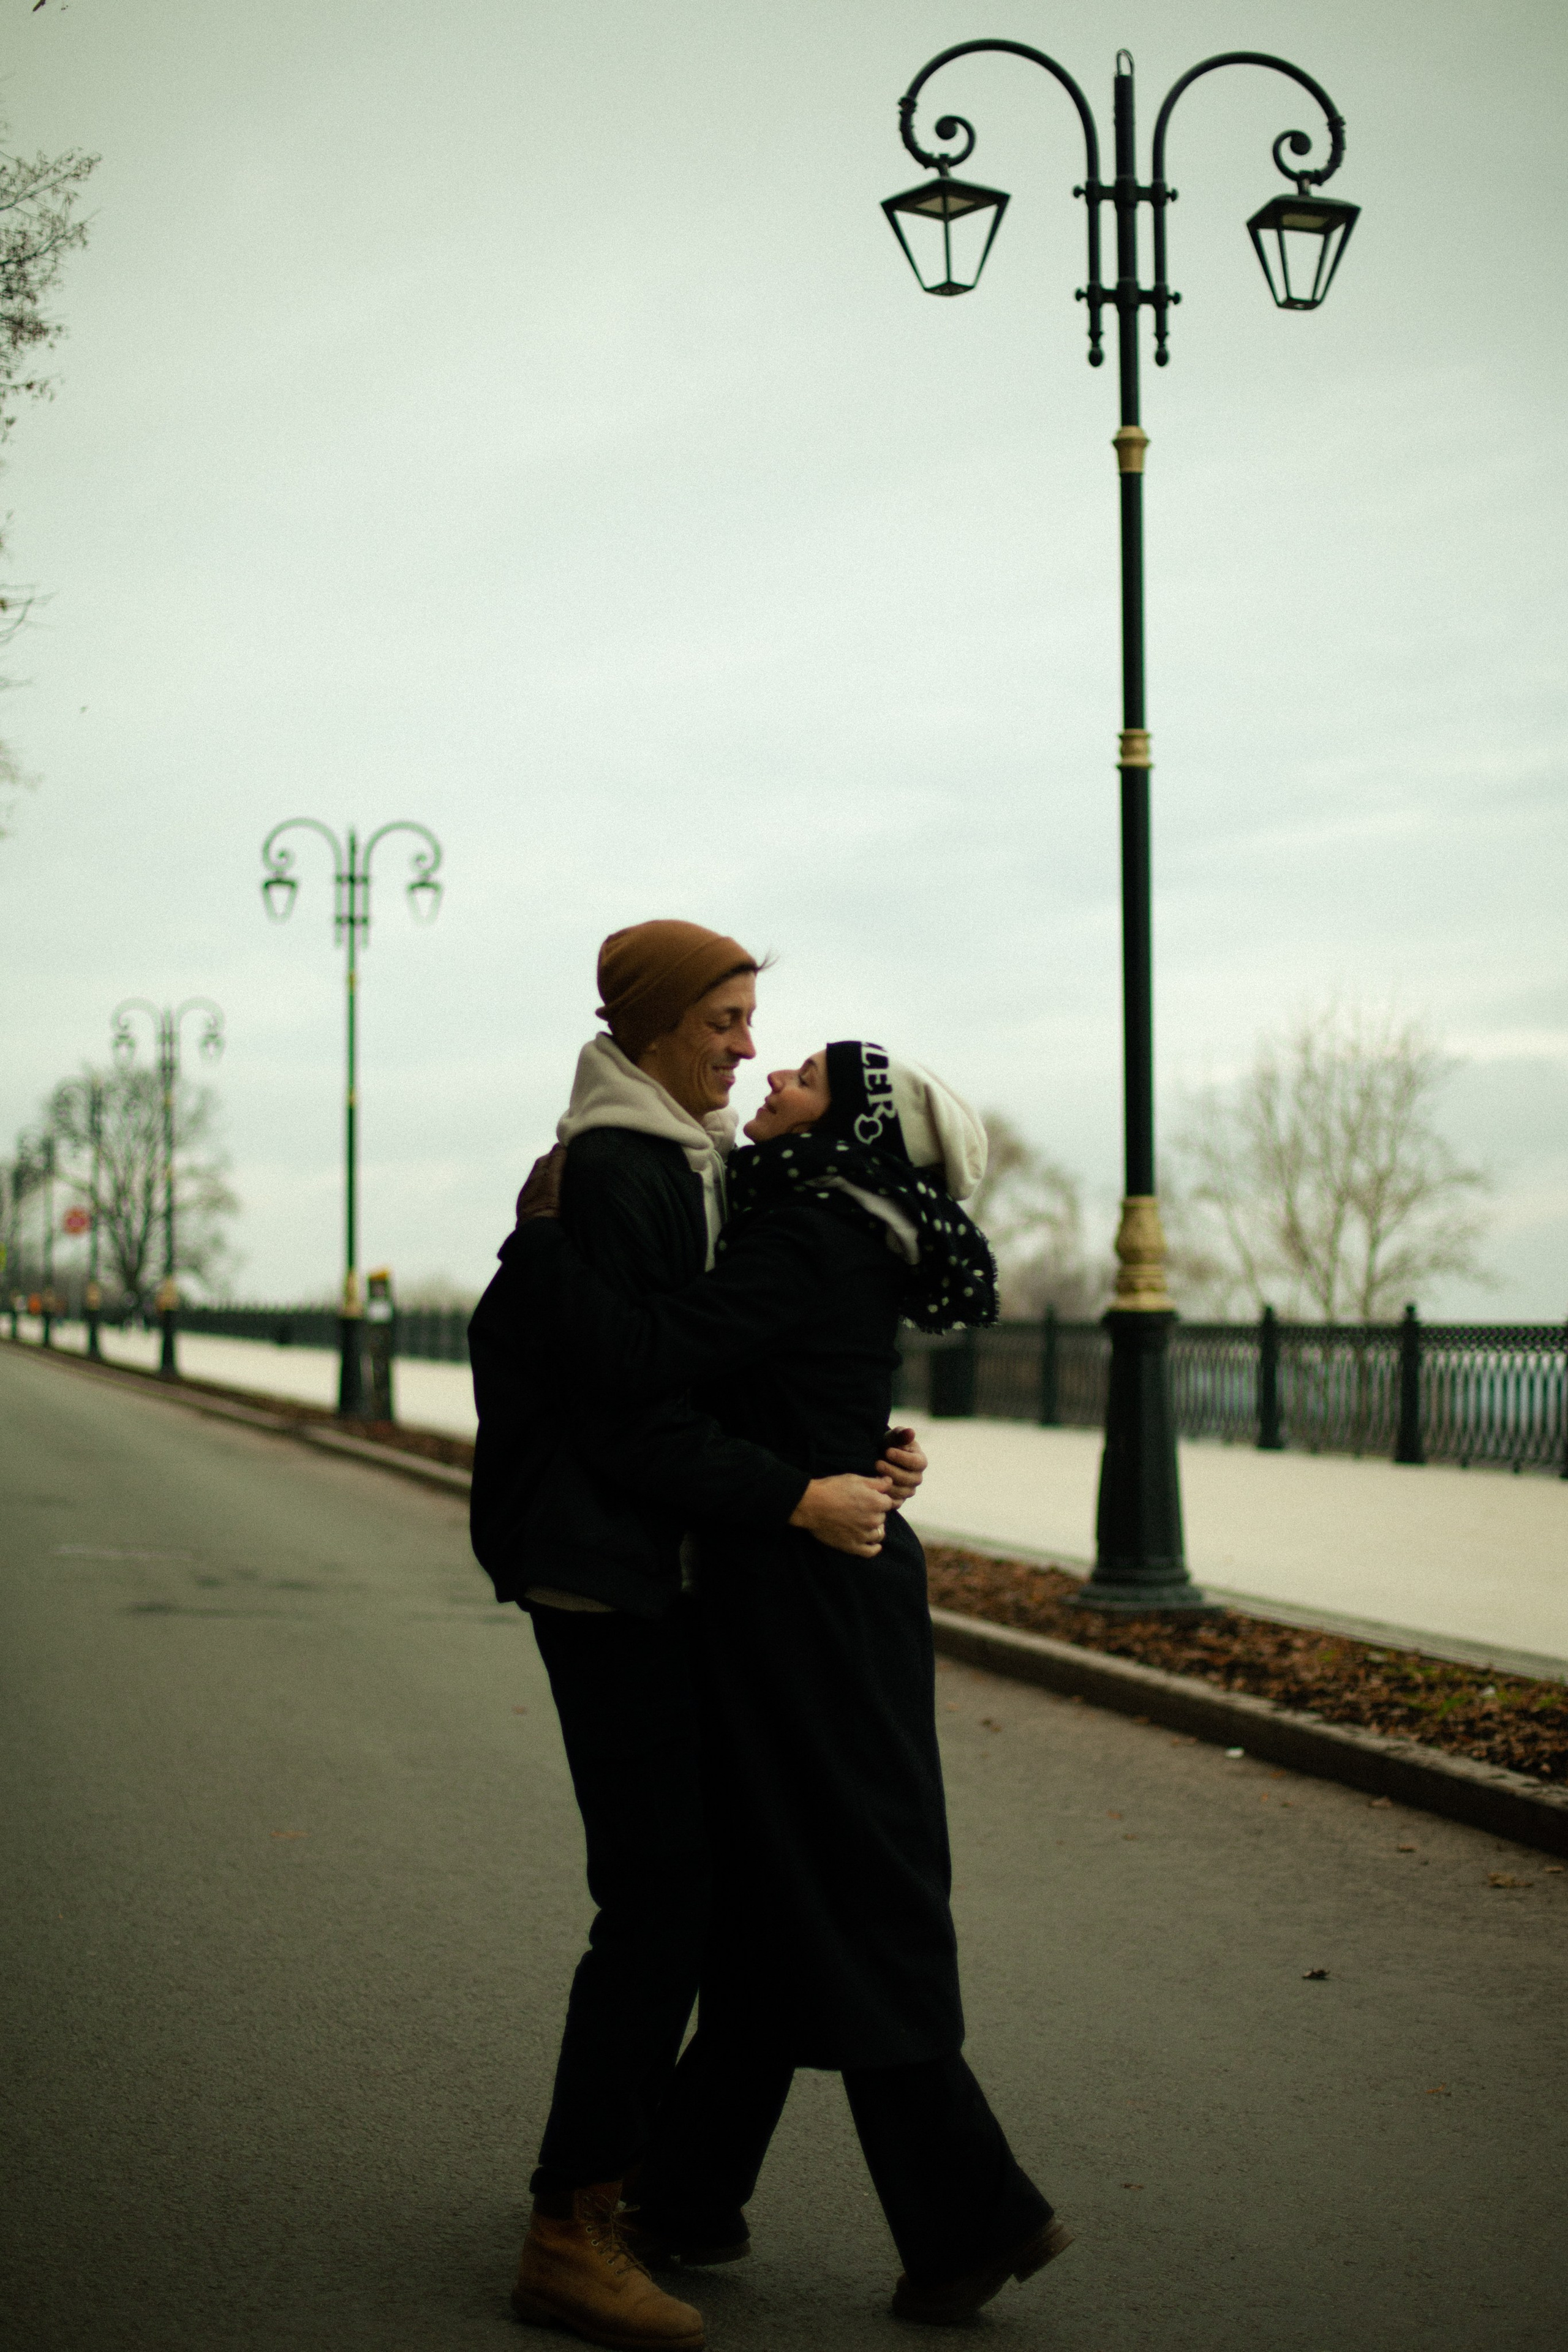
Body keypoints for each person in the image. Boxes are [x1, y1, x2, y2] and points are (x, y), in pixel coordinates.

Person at [508, 1039, 1070, 2328]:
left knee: (841, 1883)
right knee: (779, 1883)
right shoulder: (829, 1222)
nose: (771, 1076)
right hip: (811, 1578)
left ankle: (968, 2216)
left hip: (809, 1596)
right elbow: (784, 1374)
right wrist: (856, 1440)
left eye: (806, 1076)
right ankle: (688, 2192)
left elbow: (656, 1353)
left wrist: (538, 1246)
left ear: (860, 1122)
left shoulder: (814, 1224)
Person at [469, 925, 925, 2352]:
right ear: (659, 1027)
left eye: (751, 1021)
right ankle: (569, 2231)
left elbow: (709, 1368)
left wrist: (856, 1455)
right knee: (660, 1903)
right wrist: (797, 1494)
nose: (747, 1046)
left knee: (702, 1894)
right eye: (726, 1020)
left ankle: (657, 2190)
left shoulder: (680, 1158)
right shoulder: (621, 1172)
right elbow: (633, 1408)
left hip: (659, 1571)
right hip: (610, 1576)